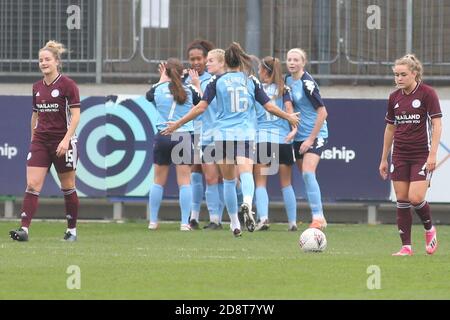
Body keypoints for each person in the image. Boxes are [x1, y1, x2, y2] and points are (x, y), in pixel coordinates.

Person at [163, 42, 299, 237]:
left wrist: (177, 124)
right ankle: (247, 201)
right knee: (245, 174)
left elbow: (200, 108)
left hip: (222, 136)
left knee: (227, 181)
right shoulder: (250, 81)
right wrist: (289, 117)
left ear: (226, 61)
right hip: (244, 134)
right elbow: (269, 106)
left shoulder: (216, 82)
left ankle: (234, 223)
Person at [9, 40, 81, 242]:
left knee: (67, 186)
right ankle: (24, 230)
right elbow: (35, 115)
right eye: (41, 60)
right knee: (32, 184)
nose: (43, 63)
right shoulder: (37, 87)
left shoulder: (68, 85)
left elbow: (76, 117)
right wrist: (34, 140)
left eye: (47, 59)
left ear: (56, 61)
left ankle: (72, 231)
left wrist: (66, 140)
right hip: (41, 141)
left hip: (63, 141)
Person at [379, 54, 441, 256]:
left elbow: (437, 125)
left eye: (403, 74)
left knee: (415, 198)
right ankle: (406, 247)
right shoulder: (394, 97)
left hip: (421, 153)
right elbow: (390, 129)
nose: (399, 79)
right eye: (396, 75)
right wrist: (383, 158)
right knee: (402, 199)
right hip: (399, 154)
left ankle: (429, 229)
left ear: (414, 73)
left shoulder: (427, 94)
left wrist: (432, 155)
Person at [146, 58, 201, 231]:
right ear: (182, 72)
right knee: (184, 181)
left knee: (158, 181)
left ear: (166, 72)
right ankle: (184, 222)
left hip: (162, 135)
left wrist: (161, 79)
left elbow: (150, 96)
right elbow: (200, 102)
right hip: (182, 136)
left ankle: (153, 221)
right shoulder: (189, 89)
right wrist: (197, 83)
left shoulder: (157, 89)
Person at [285, 48, 328, 231]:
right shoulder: (287, 80)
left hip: (315, 134)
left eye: (296, 60)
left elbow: (323, 112)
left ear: (303, 63)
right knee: (306, 176)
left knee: (308, 174)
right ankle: (321, 217)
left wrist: (311, 139)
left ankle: (317, 218)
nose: (292, 63)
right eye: (289, 59)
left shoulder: (307, 83)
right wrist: (294, 129)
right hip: (298, 136)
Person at [253, 56, 298, 231]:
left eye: (260, 69)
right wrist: (293, 130)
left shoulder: (256, 89)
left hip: (263, 139)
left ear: (265, 71)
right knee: (286, 183)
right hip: (283, 140)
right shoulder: (283, 89)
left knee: (261, 182)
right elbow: (290, 113)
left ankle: (263, 218)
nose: (258, 72)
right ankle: (292, 222)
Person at [182, 39, 219, 229]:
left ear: (206, 58)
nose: (196, 62)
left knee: (214, 177)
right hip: (191, 132)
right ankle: (193, 217)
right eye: (192, 59)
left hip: (211, 132)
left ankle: (216, 219)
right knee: (194, 173)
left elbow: (207, 104)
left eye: (199, 58)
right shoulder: (184, 78)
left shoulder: (213, 78)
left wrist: (197, 85)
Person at [199, 49, 227, 230]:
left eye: (211, 61)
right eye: (207, 60)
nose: (206, 63)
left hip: (226, 136)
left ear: (222, 63)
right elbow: (200, 105)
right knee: (210, 179)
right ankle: (214, 220)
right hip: (207, 135)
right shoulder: (208, 82)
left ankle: (238, 213)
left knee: (230, 179)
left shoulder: (229, 83)